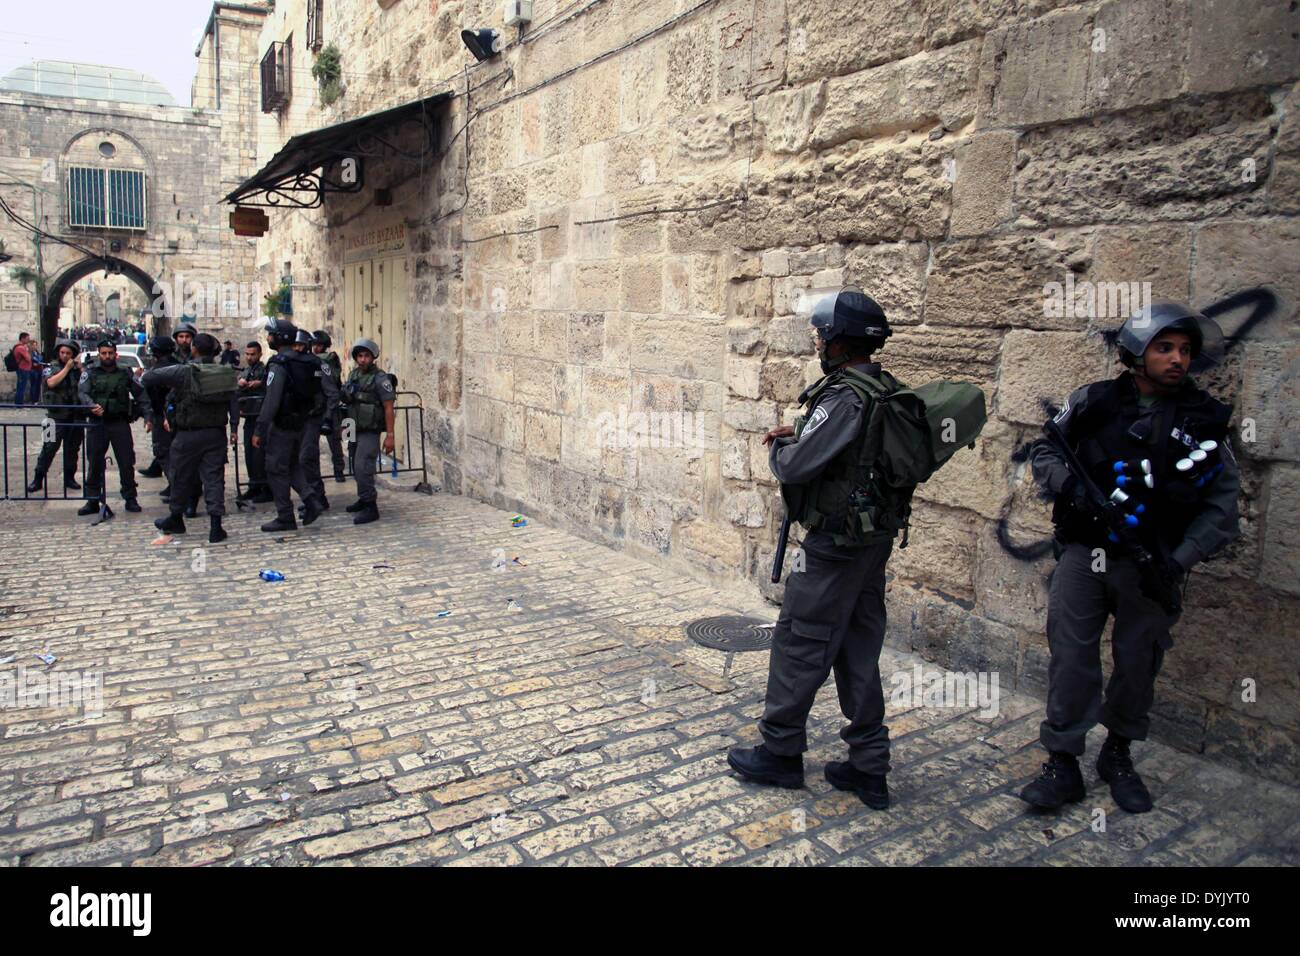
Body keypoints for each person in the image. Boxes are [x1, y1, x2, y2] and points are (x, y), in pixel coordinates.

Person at [1020, 302, 1240, 815]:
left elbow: (1222, 505)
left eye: (1185, 350)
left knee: (1139, 662)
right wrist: (1071, 486)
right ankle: (1063, 761)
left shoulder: (1204, 421)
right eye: (1165, 348)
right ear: (1137, 353)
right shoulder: (1095, 401)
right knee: (1072, 656)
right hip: (1085, 553)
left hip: (1155, 563)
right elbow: (1047, 450)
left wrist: (1179, 561)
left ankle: (1117, 753)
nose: (1177, 359)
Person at [726, 287, 898, 810]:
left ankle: (780, 754)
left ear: (842, 343)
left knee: (801, 642)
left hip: (834, 547)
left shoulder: (844, 394)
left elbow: (798, 467)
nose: (819, 342)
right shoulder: (884, 388)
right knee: (857, 647)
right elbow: (854, 450)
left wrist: (783, 447)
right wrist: (802, 427)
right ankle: (869, 766)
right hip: (872, 544)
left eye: (824, 335)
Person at [145, 333, 237, 543]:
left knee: (180, 477)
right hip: (215, 434)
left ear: (194, 348)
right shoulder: (226, 372)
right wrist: (233, 427)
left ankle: (176, 517)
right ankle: (215, 527)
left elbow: (149, 378)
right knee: (214, 479)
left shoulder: (184, 371)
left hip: (188, 434)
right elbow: (233, 402)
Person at [253, 319, 324, 532]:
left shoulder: (280, 364)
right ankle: (312, 500)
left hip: (282, 425)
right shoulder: (308, 361)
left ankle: (285, 516)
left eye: (271, 334)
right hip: (302, 422)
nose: (268, 338)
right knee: (292, 465)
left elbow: (272, 400)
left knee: (275, 469)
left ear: (280, 337)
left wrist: (259, 429)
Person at [77, 338, 149, 516]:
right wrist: (91, 405)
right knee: (94, 462)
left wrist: (148, 415)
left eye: (110, 353)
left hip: (119, 423)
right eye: (104, 353)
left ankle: (130, 498)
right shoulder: (90, 372)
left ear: (115, 354)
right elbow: (82, 393)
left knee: (126, 462)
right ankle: (93, 500)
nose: (107, 356)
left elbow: (141, 394)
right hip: (97, 424)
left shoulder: (125, 373)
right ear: (99, 354)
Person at [342, 338, 396, 526]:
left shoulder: (381, 378)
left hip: (369, 429)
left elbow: (389, 407)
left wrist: (390, 436)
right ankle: (363, 498)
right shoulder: (354, 374)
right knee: (354, 463)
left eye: (366, 356)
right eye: (359, 356)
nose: (362, 359)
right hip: (353, 426)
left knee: (363, 464)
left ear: (373, 357)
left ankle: (370, 506)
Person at [27, 340, 84, 494]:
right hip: (53, 417)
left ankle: (69, 478)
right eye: (62, 353)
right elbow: (51, 383)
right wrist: (66, 368)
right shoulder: (51, 368)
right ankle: (38, 479)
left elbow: (86, 385)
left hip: (74, 416)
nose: (65, 356)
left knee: (72, 450)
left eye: (68, 353)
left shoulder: (77, 370)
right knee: (48, 448)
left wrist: (80, 369)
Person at [294, 328, 341, 513]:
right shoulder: (295, 364)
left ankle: (317, 495)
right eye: (295, 345)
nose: (297, 348)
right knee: (303, 459)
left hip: (316, 417)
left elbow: (332, 393)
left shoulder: (320, 365)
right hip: (299, 419)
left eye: (301, 345)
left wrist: (327, 418)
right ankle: (315, 497)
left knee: (307, 457)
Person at [138, 336, 179, 486]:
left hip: (162, 414)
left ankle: (175, 486)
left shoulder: (157, 371)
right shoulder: (179, 365)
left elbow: (145, 389)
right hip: (175, 414)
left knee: (163, 451)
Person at [234, 341, 271, 503]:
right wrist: (241, 384)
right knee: (249, 453)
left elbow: (271, 388)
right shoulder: (246, 370)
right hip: (249, 416)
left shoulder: (264, 371)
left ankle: (266, 488)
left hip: (260, 417)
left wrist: (260, 384)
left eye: (252, 354)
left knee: (260, 454)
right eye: (247, 354)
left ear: (259, 354)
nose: (249, 357)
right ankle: (254, 485)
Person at [312, 330, 346, 482]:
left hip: (330, 405)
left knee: (334, 442)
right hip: (317, 405)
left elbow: (333, 382)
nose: (315, 348)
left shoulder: (328, 360)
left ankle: (339, 471)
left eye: (318, 345)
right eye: (314, 345)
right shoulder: (315, 359)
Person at [11, 332, 34, 405]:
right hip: (23, 370)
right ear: (22, 338)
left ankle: (18, 403)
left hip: (22, 369)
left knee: (20, 387)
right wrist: (29, 350)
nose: (28, 340)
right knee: (21, 387)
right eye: (27, 339)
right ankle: (19, 404)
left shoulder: (19, 347)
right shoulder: (21, 348)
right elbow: (28, 358)